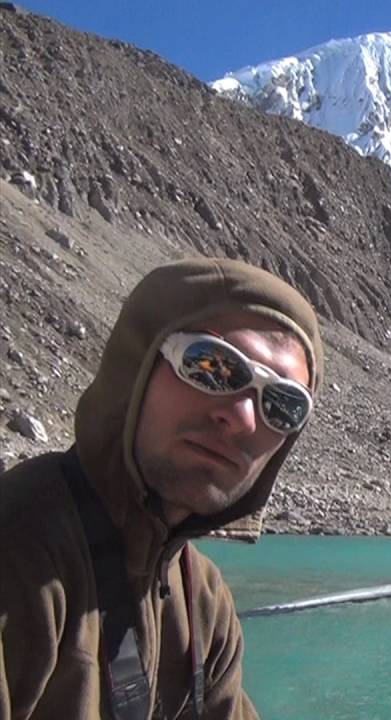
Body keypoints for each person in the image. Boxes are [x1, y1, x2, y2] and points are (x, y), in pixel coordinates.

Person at [0, 258, 324, 719]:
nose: (244, 417)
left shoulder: (202, 600)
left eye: (283, 405)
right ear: (139, 364)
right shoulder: (18, 554)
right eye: (212, 366)